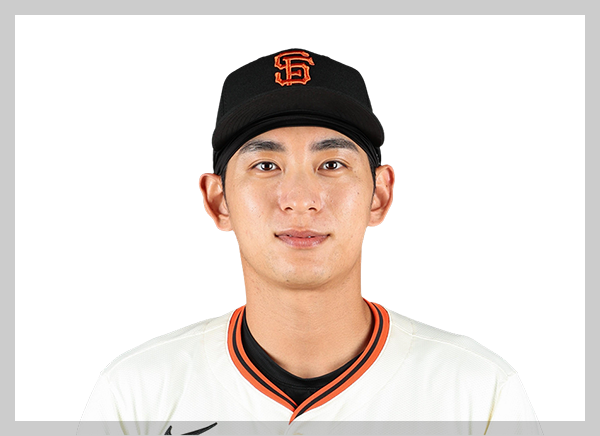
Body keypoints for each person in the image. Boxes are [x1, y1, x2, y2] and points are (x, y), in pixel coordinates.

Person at [78, 49, 543, 435]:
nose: (300, 199)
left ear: (380, 195)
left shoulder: (478, 392)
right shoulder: (136, 394)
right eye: (265, 166)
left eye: (332, 165)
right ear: (218, 201)